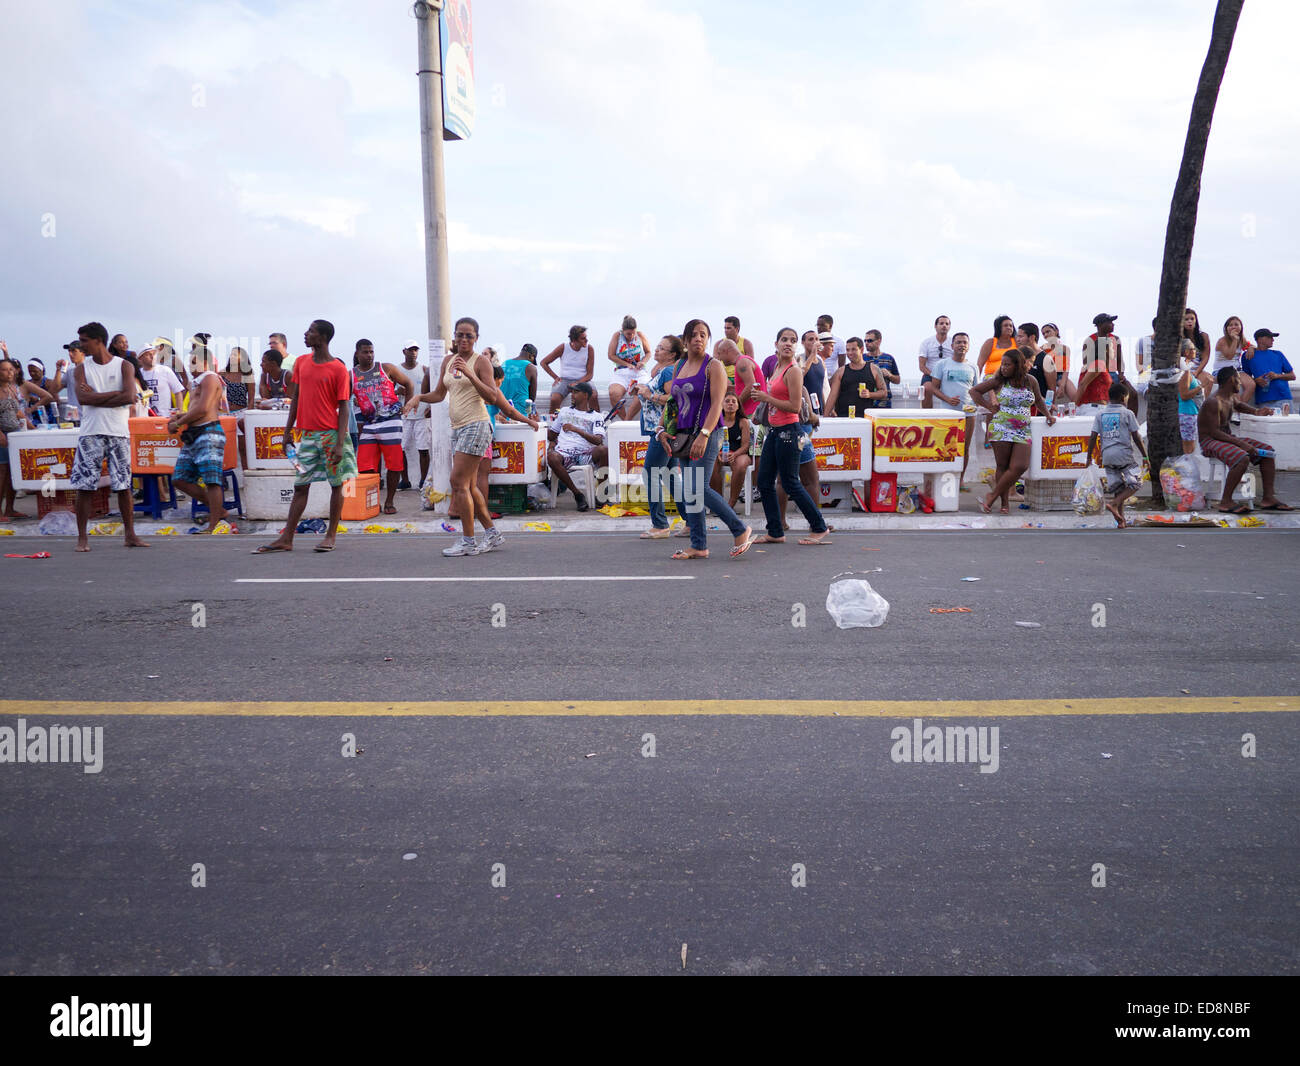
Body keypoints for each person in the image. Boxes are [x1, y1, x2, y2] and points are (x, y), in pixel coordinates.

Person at [402, 316, 538, 556]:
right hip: (459, 428)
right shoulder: (448, 361)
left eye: (469, 336)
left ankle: (468, 541)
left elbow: (493, 397)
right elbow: (438, 394)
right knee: (470, 485)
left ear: (476, 339)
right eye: (460, 334)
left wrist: (471, 374)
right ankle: (492, 533)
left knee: (458, 483)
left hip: (477, 425)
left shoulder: (481, 362)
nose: (464, 339)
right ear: (454, 336)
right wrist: (418, 397)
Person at [254, 319, 358, 554]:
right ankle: (287, 538)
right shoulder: (301, 363)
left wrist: (340, 443)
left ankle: (331, 535)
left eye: (310, 331)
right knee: (300, 485)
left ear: (322, 338)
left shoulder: (338, 369)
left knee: (336, 485)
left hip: (331, 435)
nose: (305, 334)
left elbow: (344, 408)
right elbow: (296, 399)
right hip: (307, 436)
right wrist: (287, 431)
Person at [655, 319, 753, 559]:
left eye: (703, 335)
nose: (699, 338)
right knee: (690, 490)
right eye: (694, 335)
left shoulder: (714, 366)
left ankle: (740, 530)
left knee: (699, 487)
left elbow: (718, 403)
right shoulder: (680, 365)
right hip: (683, 434)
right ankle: (699, 546)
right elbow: (672, 401)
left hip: (708, 433)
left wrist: (704, 434)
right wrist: (661, 428)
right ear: (686, 340)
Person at [68, 323, 148, 551]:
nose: (81, 346)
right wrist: (116, 395)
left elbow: (130, 396)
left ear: (98, 341)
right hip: (91, 432)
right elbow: (84, 398)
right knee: (85, 486)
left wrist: (101, 396)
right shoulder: (81, 369)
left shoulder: (124, 365)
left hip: (117, 431)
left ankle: (130, 535)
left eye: (84, 341)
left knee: (123, 486)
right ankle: (82, 538)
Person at [750, 327, 830, 546]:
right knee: (764, 482)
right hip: (774, 431)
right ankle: (775, 531)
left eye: (792, 340)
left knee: (791, 482)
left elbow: (795, 406)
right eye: (784, 340)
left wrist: (766, 397)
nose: (788, 343)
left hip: (790, 432)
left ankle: (819, 527)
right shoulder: (777, 368)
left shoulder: (793, 371)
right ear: (775, 344)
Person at [970, 346, 1054, 515]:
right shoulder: (1000, 381)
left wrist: (1048, 415)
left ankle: (991, 495)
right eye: (1003, 364)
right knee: (1002, 466)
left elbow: (1038, 400)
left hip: (1023, 429)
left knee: (1020, 466)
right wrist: (988, 407)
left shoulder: (1031, 380)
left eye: (1008, 365)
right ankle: (1004, 503)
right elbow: (974, 391)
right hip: (1001, 426)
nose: (1003, 368)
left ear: (1018, 365)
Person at [1198, 367, 1291, 513]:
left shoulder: (1230, 397)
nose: (1240, 383)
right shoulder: (1213, 402)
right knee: (1242, 457)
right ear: (1231, 380)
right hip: (1210, 441)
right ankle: (1226, 501)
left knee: (1267, 452)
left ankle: (1268, 498)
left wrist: (1256, 411)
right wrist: (1242, 444)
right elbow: (1214, 432)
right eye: (1238, 379)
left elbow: (1239, 405)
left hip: (1226, 438)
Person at [167, 344, 234, 533]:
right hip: (194, 434)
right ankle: (218, 511)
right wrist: (179, 418)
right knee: (179, 479)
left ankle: (213, 525)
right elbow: (194, 410)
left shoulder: (210, 378)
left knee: (212, 481)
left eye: (194, 362)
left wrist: (178, 423)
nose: (191, 366)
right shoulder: (196, 382)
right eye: (190, 362)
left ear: (205, 362)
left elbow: (204, 409)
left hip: (209, 433)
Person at [352, 339, 412, 515]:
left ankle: (389, 501)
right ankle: (373, 501)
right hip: (369, 424)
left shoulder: (385, 368)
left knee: (394, 465)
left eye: (371, 351)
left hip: (391, 421)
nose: (369, 355)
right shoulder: (351, 375)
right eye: (365, 352)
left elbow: (409, 384)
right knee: (365, 467)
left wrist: (407, 406)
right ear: (357, 353)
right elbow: (345, 398)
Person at [633, 336, 680, 539]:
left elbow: (674, 399)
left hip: (661, 432)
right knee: (670, 477)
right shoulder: (663, 370)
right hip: (662, 430)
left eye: (662, 348)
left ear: (672, 355)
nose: (657, 351)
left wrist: (648, 394)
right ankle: (690, 520)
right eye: (658, 347)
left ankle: (660, 525)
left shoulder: (669, 371)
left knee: (650, 475)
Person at [1084, 380, 1148, 528]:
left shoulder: (1100, 414)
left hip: (1107, 456)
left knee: (1118, 489)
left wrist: (1089, 457)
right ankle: (1113, 504)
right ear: (1122, 398)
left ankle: (1121, 520)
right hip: (1123, 455)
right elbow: (1137, 437)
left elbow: (1093, 436)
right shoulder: (1127, 413)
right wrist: (1145, 456)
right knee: (1137, 482)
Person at [923, 332, 978, 479]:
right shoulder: (942, 364)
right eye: (958, 342)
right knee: (946, 448)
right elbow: (933, 388)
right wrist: (947, 399)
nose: (962, 345)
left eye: (965, 342)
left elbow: (975, 389)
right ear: (952, 345)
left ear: (968, 346)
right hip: (948, 413)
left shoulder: (973, 367)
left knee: (964, 448)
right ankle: (945, 479)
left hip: (969, 412)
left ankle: (960, 481)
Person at [545, 383, 607, 511]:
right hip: (565, 453)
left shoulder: (596, 416)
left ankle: (601, 494)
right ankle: (577, 494)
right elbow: (552, 436)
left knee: (604, 450)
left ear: (585, 395)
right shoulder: (564, 411)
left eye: (576, 392)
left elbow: (598, 440)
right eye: (572, 392)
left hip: (585, 454)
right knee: (552, 457)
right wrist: (536, 423)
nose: (572, 394)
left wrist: (576, 429)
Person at [0, 358, 40, 520]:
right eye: (4, 370)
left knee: (13, 473)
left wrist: (33, 429)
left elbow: (19, 413)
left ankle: (10, 508)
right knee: (2, 473)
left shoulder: (13, 389)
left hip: (15, 434)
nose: (9, 373)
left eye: (11, 369)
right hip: (3, 435)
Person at [710, 388, 753, 511]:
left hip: (739, 453)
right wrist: (718, 453)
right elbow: (712, 441)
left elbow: (745, 445)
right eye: (727, 401)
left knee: (740, 465)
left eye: (734, 401)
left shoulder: (743, 422)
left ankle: (731, 503)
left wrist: (735, 454)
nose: (730, 404)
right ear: (722, 405)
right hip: (719, 452)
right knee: (710, 464)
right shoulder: (716, 421)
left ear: (738, 406)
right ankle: (718, 502)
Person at [396, 341, 429, 490]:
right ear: (404, 351)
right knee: (400, 449)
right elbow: (388, 390)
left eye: (416, 349)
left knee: (423, 449)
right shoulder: (397, 370)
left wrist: (430, 407)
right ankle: (405, 480)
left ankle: (423, 480)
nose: (414, 352)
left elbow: (430, 390)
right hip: (404, 415)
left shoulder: (423, 369)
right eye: (411, 350)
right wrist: (398, 392)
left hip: (421, 415)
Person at [540, 325, 596, 413]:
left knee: (593, 396)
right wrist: (555, 377)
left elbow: (590, 374)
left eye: (586, 337)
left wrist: (577, 383)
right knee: (555, 399)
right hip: (565, 380)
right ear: (574, 340)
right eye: (583, 338)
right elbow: (544, 362)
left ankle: (598, 420)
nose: (586, 340)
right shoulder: (563, 347)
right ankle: (553, 422)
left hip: (583, 380)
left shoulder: (589, 349)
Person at [827, 336, 887, 416]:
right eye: (848, 350)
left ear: (861, 350)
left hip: (865, 419)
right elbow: (832, 396)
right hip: (843, 417)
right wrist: (825, 417)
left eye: (853, 349)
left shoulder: (874, 369)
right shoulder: (841, 371)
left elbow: (884, 392)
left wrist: (869, 394)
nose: (850, 353)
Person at [606, 315, 653, 412]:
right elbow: (611, 355)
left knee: (642, 392)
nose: (631, 336)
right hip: (622, 371)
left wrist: (643, 362)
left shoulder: (640, 335)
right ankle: (624, 420)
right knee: (614, 393)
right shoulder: (617, 336)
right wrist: (626, 364)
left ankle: (628, 419)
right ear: (623, 330)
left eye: (633, 333)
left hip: (639, 371)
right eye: (628, 334)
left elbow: (648, 352)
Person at [1077, 314, 1122, 409]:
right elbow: (1086, 363)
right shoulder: (1089, 340)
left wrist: (1121, 374)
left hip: (1112, 373)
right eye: (1109, 322)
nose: (1113, 324)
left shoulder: (1116, 339)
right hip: (1098, 372)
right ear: (1100, 325)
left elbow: (1119, 359)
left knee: (1131, 394)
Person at [1243, 329, 1292, 412]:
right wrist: (1256, 380)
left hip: (1284, 398)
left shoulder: (1278, 354)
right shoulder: (1248, 356)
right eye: (1270, 337)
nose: (1273, 340)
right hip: (1264, 401)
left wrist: (1276, 376)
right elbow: (1246, 377)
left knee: (1288, 424)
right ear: (1260, 339)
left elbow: (1292, 376)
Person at [1213, 316, 1255, 406]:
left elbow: (1254, 346)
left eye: (1236, 324)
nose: (1233, 327)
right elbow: (1229, 355)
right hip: (1221, 371)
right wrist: (1235, 340)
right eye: (1230, 325)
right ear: (1226, 328)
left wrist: (1251, 348)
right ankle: (1234, 410)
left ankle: (1240, 408)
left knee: (1251, 385)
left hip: (1237, 370)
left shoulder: (1241, 340)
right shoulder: (1222, 341)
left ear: (1241, 327)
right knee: (1235, 389)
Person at [137, 343, 184, 417]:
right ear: (140, 358)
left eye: (154, 353)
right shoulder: (138, 374)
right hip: (144, 418)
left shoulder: (165, 370)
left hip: (164, 417)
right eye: (148, 354)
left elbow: (178, 392)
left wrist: (179, 413)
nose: (152, 356)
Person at [1018, 322, 1055, 411]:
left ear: (1032, 337)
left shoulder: (1046, 359)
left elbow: (1051, 390)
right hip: (1020, 410)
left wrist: (1048, 408)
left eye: (1021, 336)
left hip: (1039, 411)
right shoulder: (1017, 357)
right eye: (1017, 336)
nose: (1017, 339)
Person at [918, 315, 953, 408]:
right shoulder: (926, 342)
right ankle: (928, 417)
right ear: (935, 326)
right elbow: (922, 366)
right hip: (930, 375)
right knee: (926, 389)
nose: (944, 326)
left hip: (949, 375)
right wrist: (934, 375)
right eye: (941, 323)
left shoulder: (953, 342)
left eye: (947, 324)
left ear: (949, 327)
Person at [52, 340, 88, 423]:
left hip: (87, 418)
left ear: (82, 352)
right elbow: (54, 390)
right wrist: (58, 370)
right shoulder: (70, 371)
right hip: (72, 418)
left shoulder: (91, 369)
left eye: (74, 351)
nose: (70, 354)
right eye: (69, 351)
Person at [1176, 356, 1204, 456]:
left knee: (1186, 451)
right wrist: (1201, 386)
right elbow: (1184, 395)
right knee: (1187, 452)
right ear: (1186, 352)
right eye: (1192, 348)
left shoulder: (1180, 370)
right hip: (1187, 413)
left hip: (1186, 412)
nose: (1195, 351)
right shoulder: (1185, 372)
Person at [863, 330, 900, 407]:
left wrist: (889, 375)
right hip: (866, 402)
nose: (866, 343)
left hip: (884, 404)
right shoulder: (862, 359)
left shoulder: (889, 358)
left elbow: (897, 380)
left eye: (869, 340)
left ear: (879, 341)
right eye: (865, 341)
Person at [1040, 323, 1074, 403]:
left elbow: (1066, 368)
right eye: (1043, 333)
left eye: (1048, 331)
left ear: (1056, 331)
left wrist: (1062, 385)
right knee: (1050, 399)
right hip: (1046, 376)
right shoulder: (1042, 349)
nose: (1046, 335)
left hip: (1060, 375)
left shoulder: (1064, 348)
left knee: (1075, 395)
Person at [978, 315, 1017, 379]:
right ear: (998, 327)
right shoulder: (990, 342)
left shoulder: (1017, 341)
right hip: (992, 377)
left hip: (1012, 378)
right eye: (1005, 325)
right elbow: (980, 364)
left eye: (1011, 326)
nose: (1009, 328)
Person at [23, 358, 60, 425]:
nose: (32, 373)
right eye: (30, 371)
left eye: (35, 371)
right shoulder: (28, 383)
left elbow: (56, 400)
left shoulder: (48, 383)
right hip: (32, 416)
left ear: (41, 370)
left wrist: (38, 400)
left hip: (47, 416)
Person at [1182, 309, 1213, 386]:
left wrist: (1196, 372)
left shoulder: (1204, 336)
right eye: (1186, 319)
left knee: (1208, 379)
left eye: (1192, 319)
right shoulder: (1179, 337)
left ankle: (1203, 398)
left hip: (1197, 369)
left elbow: (1205, 357)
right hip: (1182, 369)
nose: (1190, 321)